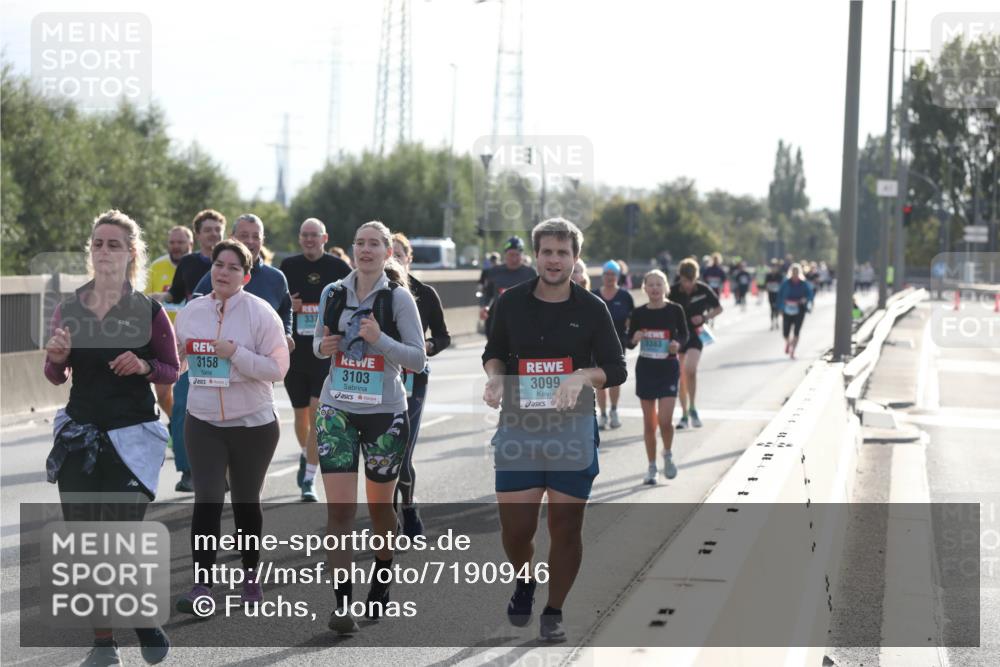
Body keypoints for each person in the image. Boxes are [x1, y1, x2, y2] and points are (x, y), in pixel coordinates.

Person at [44, 210, 179, 666]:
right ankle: (105, 644)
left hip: (132, 437)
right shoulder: (70, 307)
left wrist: (143, 367)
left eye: (114, 244)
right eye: (98, 243)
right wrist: (57, 356)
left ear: (131, 253)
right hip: (81, 437)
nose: (104, 252)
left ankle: (139, 618)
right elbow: (54, 374)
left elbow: (171, 369)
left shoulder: (150, 310)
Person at [482, 218, 626, 643]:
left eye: (563, 253)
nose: (554, 260)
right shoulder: (510, 304)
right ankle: (525, 580)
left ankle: (554, 610)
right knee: (516, 531)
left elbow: (616, 369)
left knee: (565, 527)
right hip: (519, 427)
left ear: (575, 259)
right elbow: (495, 353)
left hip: (572, 430)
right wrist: (494, 377)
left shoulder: (593, 309)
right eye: (547, 251)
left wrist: (582, 376)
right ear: (536, 255)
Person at [314, 221, 426, 634]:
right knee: (339, 510)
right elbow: (318, 342)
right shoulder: (333, 293)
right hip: (337, 410)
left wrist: (380, 339)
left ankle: (382, 570)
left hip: (384, 412)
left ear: (386, 252)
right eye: (359, 243)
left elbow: (417, 360)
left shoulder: (399, 299)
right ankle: (342, 603)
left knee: (381, 510)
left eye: (373, 244)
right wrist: (323, 346)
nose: (364, 250)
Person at [173, 239, 290, 615]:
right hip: (203, 421)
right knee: (207, 498)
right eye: (218, 265)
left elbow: (277, 369)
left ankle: (250, 577)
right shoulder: (192, 312)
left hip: (252, 424)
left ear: (246, 275)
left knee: (245, 501)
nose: (222, 272)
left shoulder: (262, 314)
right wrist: (174, 360)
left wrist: (234, 353)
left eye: (232, 267)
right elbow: (178, 364)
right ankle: (202, 584)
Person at [279, 218, 351, 502]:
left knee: (317, 412)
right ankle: (306, 454)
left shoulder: (338, 268)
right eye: (304, 235)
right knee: (300, 415)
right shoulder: (288, 267)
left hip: (323, 353)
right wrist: (290, 306)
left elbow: (353, 299)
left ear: (324, 238)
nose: (309, 240)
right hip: (294, 353)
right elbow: (276, 305)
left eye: (314, 235)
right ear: (300, 238)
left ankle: (309, 477)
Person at [391, 232, 451, 536]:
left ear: (408, 258)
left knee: (402, 452)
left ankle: (409, 507)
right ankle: (387, 519)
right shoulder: (372, 292)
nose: (394, 258)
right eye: (390, 253)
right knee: (382, 453)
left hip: (413, 378)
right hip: (378, 380)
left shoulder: (425, 294)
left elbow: (443, 336)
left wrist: (427, 347)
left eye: (399, 254)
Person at [166, 210, 226, 492]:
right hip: (192, 349)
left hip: (225, 349)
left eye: (218, 229)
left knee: (224, 412)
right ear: (198, 235)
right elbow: (175, 295)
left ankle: (224, 469)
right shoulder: (189, 264)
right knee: (182, 408)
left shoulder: (231, 259)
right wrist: (153, 301)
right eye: (208, 230)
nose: (213, 234)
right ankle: (188, 471)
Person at [627, 270, 688, 484]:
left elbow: (684, 334)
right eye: (650, 285)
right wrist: (634, 338)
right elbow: (629, 340)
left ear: (665, 288)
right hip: (646, 370)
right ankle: (651, 467)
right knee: (649, 424)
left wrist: (677, 344)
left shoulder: (675, 310)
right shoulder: (639, 313)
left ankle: (668, 453)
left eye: (658, 284)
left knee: (665, 420)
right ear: (645, 288)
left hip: (668, 369)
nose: (654, 288)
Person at [144, 225, 193, 424]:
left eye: (181, 242)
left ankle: (188, 427)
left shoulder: (197, 266)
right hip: (163, 339)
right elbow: (144, 300)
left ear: (191, 244)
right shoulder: (157, 266)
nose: (176, 246)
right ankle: (176, 422)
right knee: (163, 393)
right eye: (172, 242)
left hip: (190, 339)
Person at [669, 258, 723, 430]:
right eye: (685, 281)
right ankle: (684, 414)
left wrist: (704, 317)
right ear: (680, 277)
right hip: (678, 335)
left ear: (695, 278)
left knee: (690, 370)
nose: (687, 285)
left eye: (690, 281)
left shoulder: (703, 289)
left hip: (696, 334)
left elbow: (719, 308)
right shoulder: (673, 291)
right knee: (680, 375)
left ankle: (693, 407)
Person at [592, 260, 634, 430]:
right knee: (600, 381)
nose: (609, 278)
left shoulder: (625, 296)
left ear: (618, 276)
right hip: (597, 345)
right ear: (603, 276)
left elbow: (632, 321)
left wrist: (632, 338)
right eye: (607, 274)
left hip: (618, 345)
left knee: (615, 380)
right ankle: (602, 414)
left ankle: (614, 410)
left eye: (613, 275)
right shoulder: (594, 295)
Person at [479, 236, 537, 335]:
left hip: (523, 324)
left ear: (522, 255)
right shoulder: (494, 272)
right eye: (511, 255)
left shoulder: (530, 273)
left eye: (517, 255)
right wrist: (484, 307)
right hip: (499, 322)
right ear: (505, 254)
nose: (514, 259)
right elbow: (488, 294)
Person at [776, 263, 815, 359]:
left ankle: (793, 351)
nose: (795, 275)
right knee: (785, 332)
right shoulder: (785, 283)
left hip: (799, 309)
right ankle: (788, 342)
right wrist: (780, 309)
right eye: (793, 272)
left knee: (796, 331)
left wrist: (805, 299)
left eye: (797, 273)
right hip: (787, 309)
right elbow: (780, 296)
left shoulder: (804, 283)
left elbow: (810, 295)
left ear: (799, 273)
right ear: (790, 273)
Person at [764, 259, 784, 331]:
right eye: (772, 267)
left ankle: (777, 322)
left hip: (777, 294)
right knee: (772, 309)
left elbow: (782, 285)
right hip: (771, 294)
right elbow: (766, 284)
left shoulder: (779, 275)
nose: (774, 268)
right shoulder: (768, 276)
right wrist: (768, 288)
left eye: (775, 267)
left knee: (777, 309)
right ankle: (772, 323)